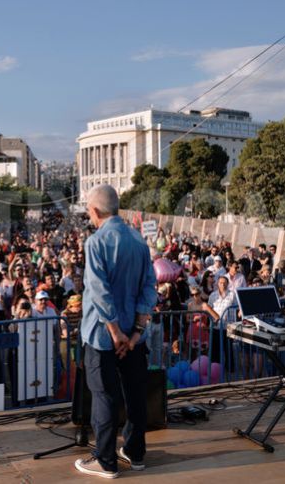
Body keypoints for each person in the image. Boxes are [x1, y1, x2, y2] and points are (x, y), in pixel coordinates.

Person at [75, 184, 156, 479]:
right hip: (134, 336)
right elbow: (149, 287)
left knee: (104, 396)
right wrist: (134, 332)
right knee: (134, 394)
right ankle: (136, 454)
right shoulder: (139, 240)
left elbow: (98, 291)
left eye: (88, 210)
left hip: (101, 335)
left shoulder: (96, 242)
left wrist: (114, 332)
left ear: (95, 211)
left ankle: (106, 461)